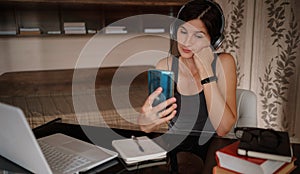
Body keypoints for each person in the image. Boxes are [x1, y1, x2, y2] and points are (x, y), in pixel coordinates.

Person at [138, 0, 237, 173]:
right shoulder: (165, 66)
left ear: (213, 41)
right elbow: (149, 125)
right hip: (175, 153)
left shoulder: (224, 63)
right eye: (183, 32)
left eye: (198, 36)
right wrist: (145, 121)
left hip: (212, 153)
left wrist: (206, 70)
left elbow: (223, 128)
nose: (186, 42)